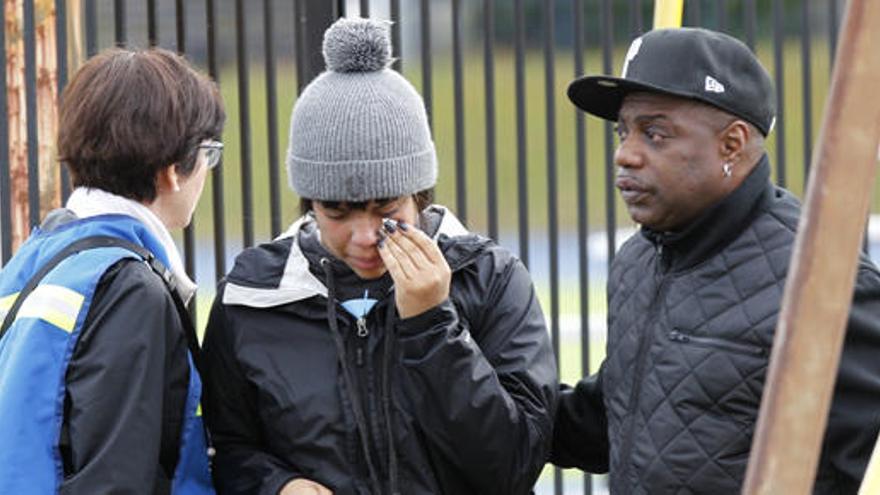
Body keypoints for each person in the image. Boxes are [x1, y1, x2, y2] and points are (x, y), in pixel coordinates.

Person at [201, 17, 558, 495]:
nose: (366, 235)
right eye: (337, 211)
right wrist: (276, 486)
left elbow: (515, 464)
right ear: (309, 203)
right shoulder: (252, 295)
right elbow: (224, 448)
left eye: (387, 210)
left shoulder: (489, 279)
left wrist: (433, 326)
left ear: (420, 195)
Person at [551, 27, 880, 493]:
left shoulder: (825, 283)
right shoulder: (639, 260)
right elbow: (606, 426)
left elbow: (855, 471)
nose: (625, 155)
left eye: (655, 133)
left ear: (731, 144)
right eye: (623, 132)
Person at [0, 48, 225, 494]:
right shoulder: (129, 288)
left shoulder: (36, 259)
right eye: (207, 154)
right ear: (173, 170)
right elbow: (115, 478)